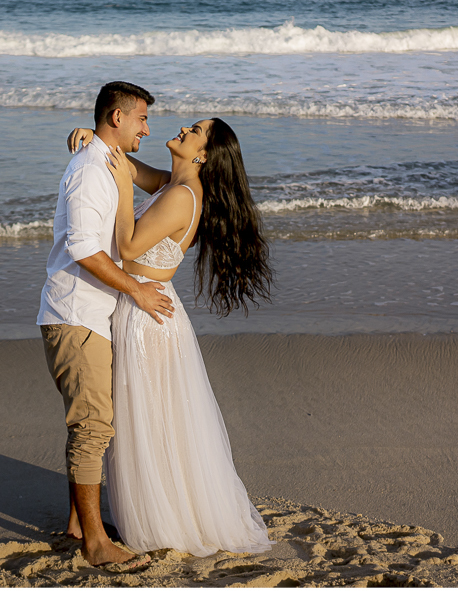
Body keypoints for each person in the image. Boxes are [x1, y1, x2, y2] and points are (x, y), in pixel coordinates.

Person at [68, 117, 274, 557]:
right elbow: (127, 163)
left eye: (195, 130)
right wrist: (97, 140)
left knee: (153, 421)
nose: (184, 128)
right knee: (149, 419)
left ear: (203, 155)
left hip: (147, 316)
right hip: (143, 305)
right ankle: (155, 510)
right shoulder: (172, 183)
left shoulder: (182, 196)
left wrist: (122, 187)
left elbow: (128, 247)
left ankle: (165, 520)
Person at [36, 81, 174, 573]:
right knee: (92, 426)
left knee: (89, 424)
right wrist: (136, 290)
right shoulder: (92, 170)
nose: (147, 127)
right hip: (77, 315)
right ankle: (94, 542)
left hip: (87, 315)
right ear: (117, 118)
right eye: (141, 119)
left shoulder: (107, 160)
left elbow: (163, 181)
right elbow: (82, 248)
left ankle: (79, 523)